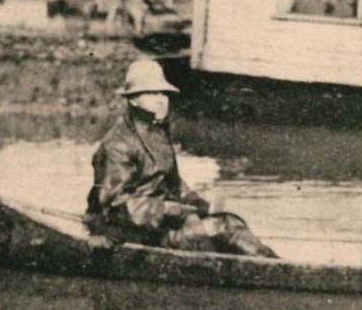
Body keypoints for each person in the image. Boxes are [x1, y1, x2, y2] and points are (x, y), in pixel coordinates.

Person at [86, 59, 278, 258]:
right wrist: (169, 210)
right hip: (126, 230)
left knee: (228, 222)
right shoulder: (117, 144)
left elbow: (173, 184)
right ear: (133, 100)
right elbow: (117, 207)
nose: (161, 99)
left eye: (163, 93)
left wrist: (200, 204)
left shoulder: (156, 132)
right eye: (152, 93)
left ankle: (274, 264)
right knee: (203, 232)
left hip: (156, 221)